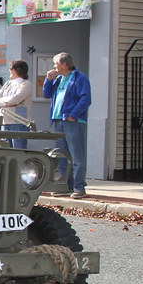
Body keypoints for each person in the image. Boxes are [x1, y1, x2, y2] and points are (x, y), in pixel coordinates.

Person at [43, 52, 92, 199]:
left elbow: (85, 99)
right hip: (58, 121)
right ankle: (65, 186)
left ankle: (79, 187)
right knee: (62, 155)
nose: (54, 67)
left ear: (65, 64)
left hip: (72, 122)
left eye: (55, 64)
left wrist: (73, 115)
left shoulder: (79, 78)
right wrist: (48, 80)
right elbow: (47, 94)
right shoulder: (58, 79)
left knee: (77, 155)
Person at [0, 59, 34, 148]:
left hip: (18, 122)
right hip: (5, 122)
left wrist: (4, 102)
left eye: (11, 68)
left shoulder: (26, 84)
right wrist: (6, 103)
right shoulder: (8, 83)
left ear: (18, 70)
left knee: (18, 150)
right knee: (6, 150)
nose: (9, 70)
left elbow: (16, 99)